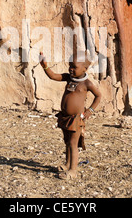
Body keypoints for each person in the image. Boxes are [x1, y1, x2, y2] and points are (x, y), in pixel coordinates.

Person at [39, 50, 102, 180]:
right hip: (65, 117)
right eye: (70, 66)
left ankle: (73, 170)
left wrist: (90, 111)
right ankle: (67, 164)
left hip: (76, 119)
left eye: (74, 66)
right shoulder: (68, 78)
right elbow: (53, 76)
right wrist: (44, 65)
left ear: (85, 68)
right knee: (67, 142)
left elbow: (98, 96)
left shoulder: (86, 83)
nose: (71, 69)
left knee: (73, 144)